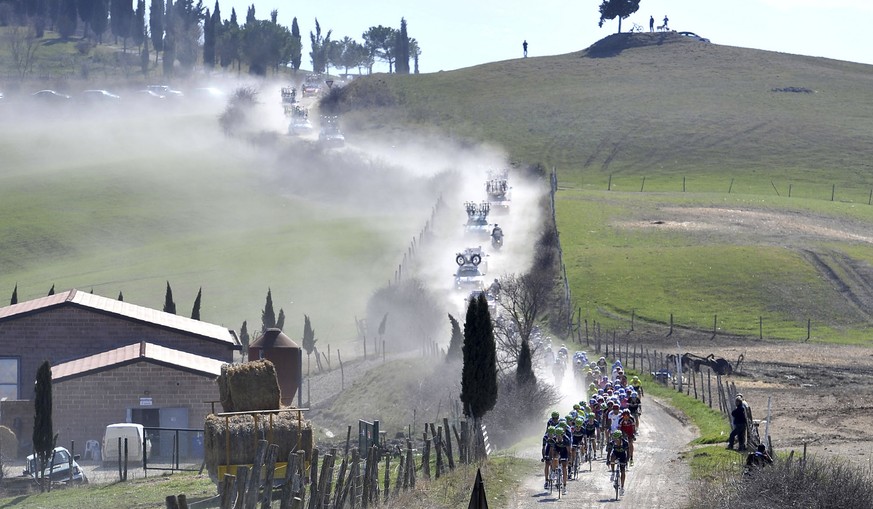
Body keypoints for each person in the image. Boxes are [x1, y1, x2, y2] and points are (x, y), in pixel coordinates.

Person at [608, 430, 629, 495]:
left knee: (623, 471)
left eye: (617, 439)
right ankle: (613, 473)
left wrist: (627, 460)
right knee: (612, 457)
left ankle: (622, 487)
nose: (615, 440)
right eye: (614, 438)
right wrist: (608, 460)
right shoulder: (612, 443)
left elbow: (628, 452)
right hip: (615, 454)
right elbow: (609, 452)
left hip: (622, 455)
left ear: (620, 438)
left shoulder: (625, 443)